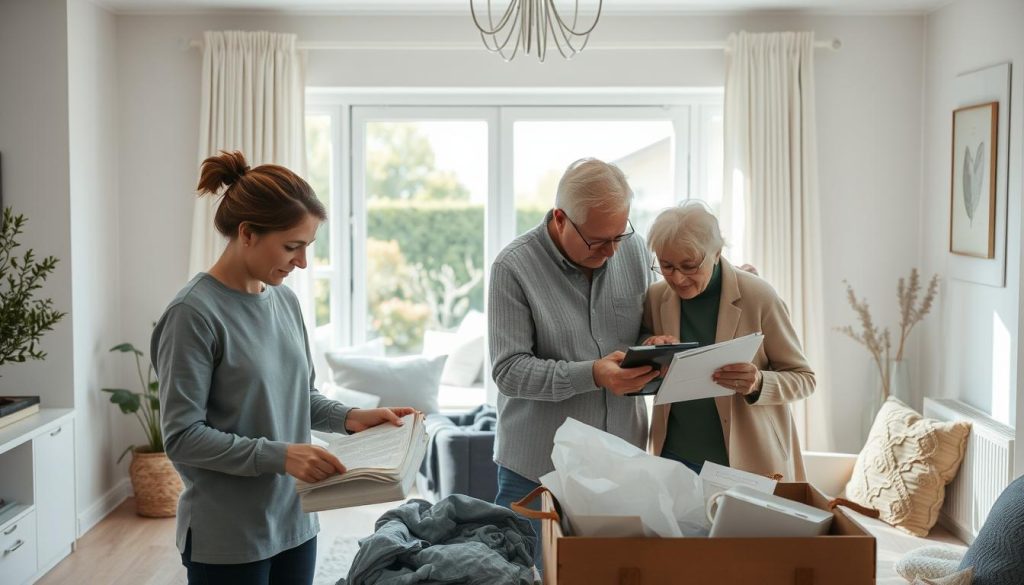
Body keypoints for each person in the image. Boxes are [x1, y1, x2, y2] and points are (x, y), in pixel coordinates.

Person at [153, 151, 415, 585]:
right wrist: (281, 455)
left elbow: (300, 395)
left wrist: (350, 418)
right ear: (247, 234)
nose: (302, 263)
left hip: (296, 519)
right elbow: (182, 437)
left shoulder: (284, 301)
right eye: (292, 247)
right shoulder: (192, 314)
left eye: (307, 248)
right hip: (229, 536)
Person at [488, 158, 662, 564]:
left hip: (621, 464)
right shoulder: (512, 267)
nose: (613, 250)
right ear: (561, 218)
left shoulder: (631, 249)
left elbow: (639, 332)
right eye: (600, 241)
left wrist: (653, 345)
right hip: (536, 471)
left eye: (620, 235)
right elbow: (509, 372)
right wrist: (594, 375)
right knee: (524, 575)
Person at [643, 201, 815, 481]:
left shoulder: (759, 296)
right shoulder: (656, 297)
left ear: (717, 253)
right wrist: (651, 348)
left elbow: (804, 378)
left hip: (748, 461)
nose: (678, 278)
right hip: (674, 460)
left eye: (689, 265)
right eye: (666, 265)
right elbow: (644, 364)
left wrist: (758, 382)